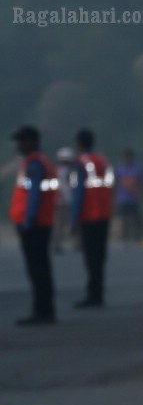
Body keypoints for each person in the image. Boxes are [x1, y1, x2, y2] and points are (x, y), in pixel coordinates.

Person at [8, 124, 58, 325]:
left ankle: (42, 310)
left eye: (22, 141)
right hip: (40, 222)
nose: (19, 145)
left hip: (34, 224)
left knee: (37, 269)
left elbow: (34, 195)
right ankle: (44, 309)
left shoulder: (34, 164)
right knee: (40, 268)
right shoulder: (37, 162)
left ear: (32, 142)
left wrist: (28, 220)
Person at [70, 128, 115, 309]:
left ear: (79, 143)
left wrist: (73, 219)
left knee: (91, 257)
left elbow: (78, 192)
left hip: (89, 215)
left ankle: (93, 295)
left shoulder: (81, 162)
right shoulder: (102, 160)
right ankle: (98, 293)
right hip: (104, 213)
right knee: (100, 256)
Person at [114, 150, 143, 242]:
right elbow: (115, 183)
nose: (127, 159)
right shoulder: (119, 169)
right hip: (123, 198)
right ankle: (125, 237)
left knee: (135, 219)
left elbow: (141, 182)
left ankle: (136, 236)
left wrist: (141, 194)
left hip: (134, 198)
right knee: (124, 219)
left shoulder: (136, 168)